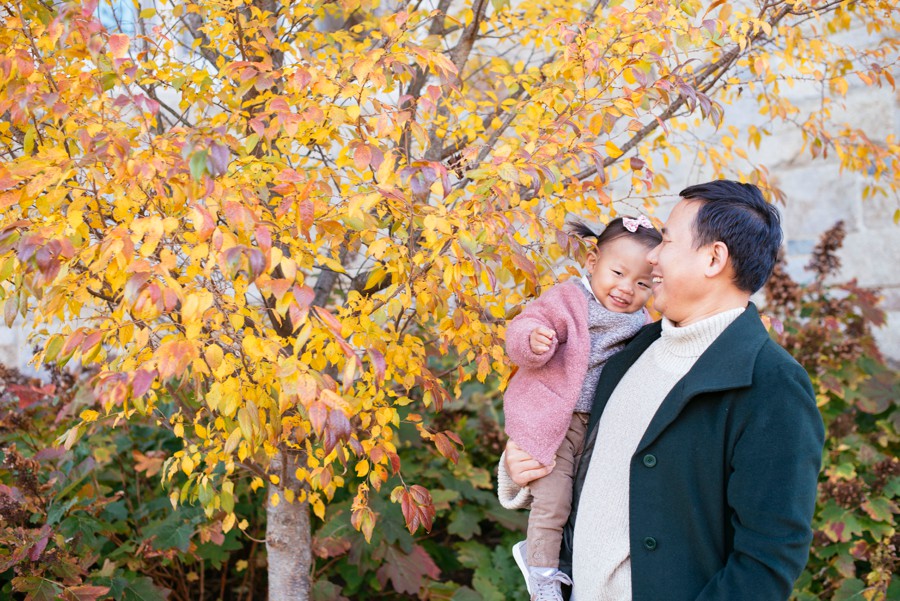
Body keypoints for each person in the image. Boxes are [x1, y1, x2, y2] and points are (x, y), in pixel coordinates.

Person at [498, 180, 825, 601]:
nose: (651, 256)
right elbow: (591, 468)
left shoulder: (770, 384)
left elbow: (767, 561)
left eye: (667, 240)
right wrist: (518, 466)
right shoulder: (628, 352)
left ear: (713, 258)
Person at [502, 216, 662, 601]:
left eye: (642, 284)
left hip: (597, 427)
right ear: (592, 263)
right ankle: (541, 571)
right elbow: (523, 327)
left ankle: (567, 566)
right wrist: (533, 341)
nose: (626, 289)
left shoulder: (644, 322)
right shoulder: (568, 299)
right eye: (618, 273)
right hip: (553, 418)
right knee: (553, 501)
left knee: (586, 503)